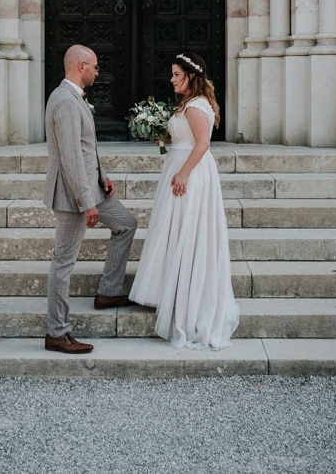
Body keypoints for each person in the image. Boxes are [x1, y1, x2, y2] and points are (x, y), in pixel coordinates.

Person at [129, 53, 239, 350]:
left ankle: (188, 296)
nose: (172, 79)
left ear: (191, 76)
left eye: (177, 74)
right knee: (173, 228)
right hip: (179, 166)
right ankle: (174, 289)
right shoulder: (186, 106)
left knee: (189, 229)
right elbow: (184, 138)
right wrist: (162, 136)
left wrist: (184, 173)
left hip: (190, 173)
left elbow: (203, 143)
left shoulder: (197, 106)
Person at [44, 44, 137, 354]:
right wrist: (87, 203)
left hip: (93, 186)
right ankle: (57, 332)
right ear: (81, 67)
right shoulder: (65, 102)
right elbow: (70, 158)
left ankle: (109, 291)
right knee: (64, 262)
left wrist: (103, 176)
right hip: (73, 196)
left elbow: (85, 148)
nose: (99, 72)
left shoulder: (74, 99)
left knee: (126, 224)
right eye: (95, 67)